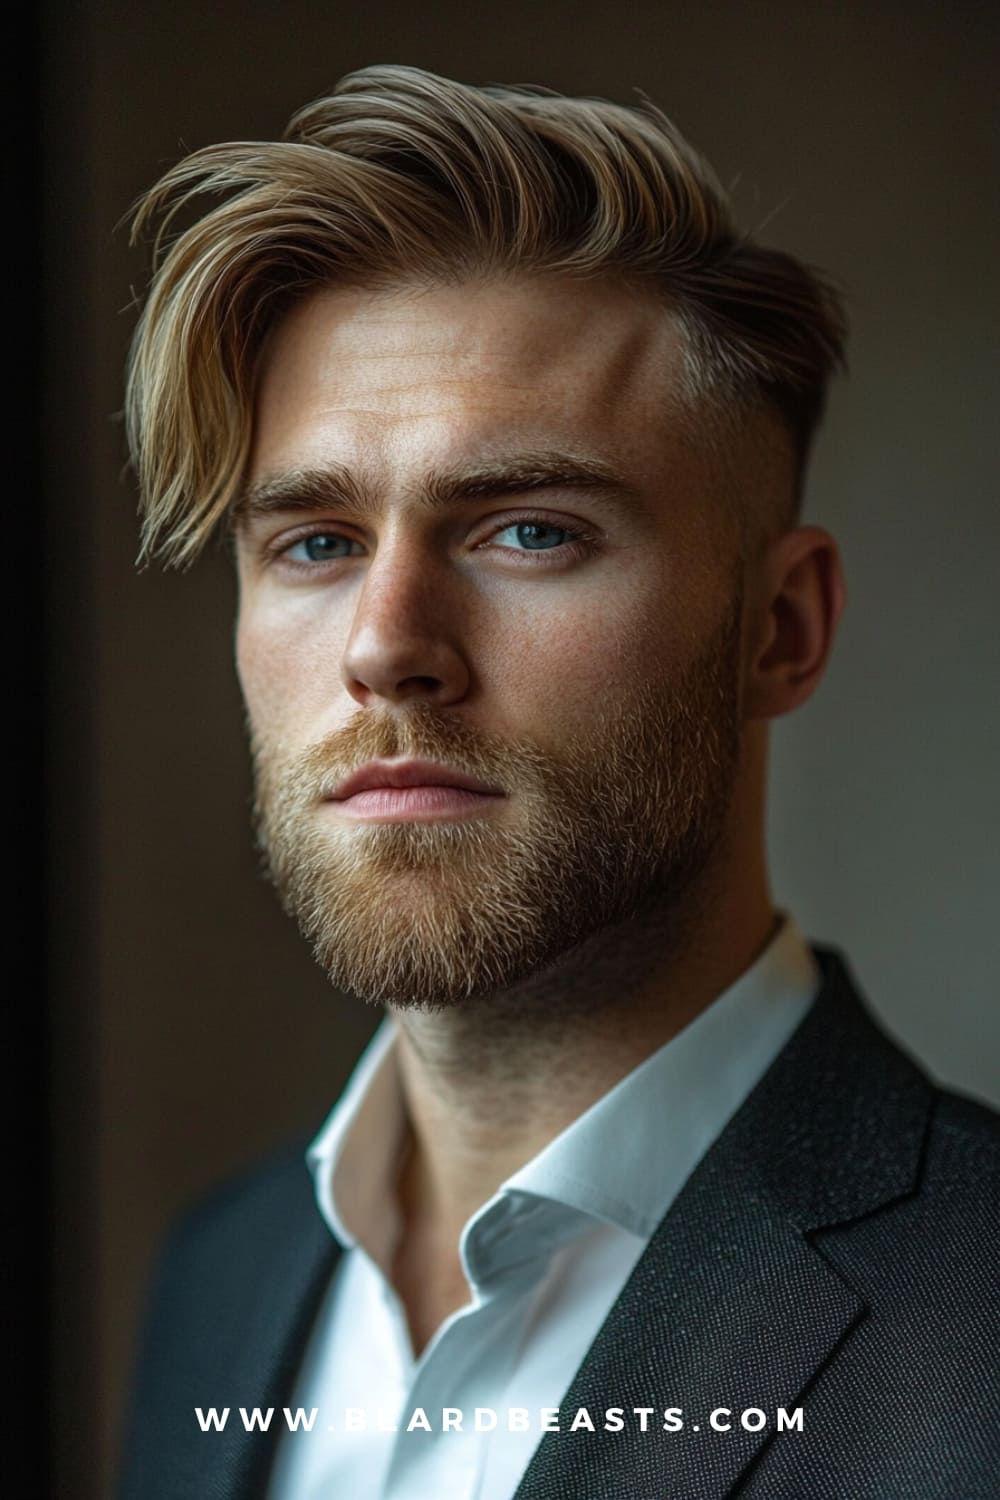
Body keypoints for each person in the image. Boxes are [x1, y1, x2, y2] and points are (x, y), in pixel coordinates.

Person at [116, 63, 998, 1500]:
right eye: (317, 543)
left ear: (781, 628)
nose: (388, 646)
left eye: (528, 531)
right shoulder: (223, 1278)